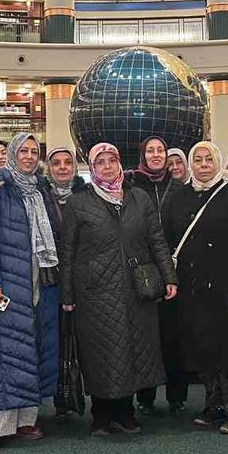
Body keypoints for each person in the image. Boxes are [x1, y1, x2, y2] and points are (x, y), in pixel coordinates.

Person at [60, 143, 178, 437]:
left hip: (136, 289)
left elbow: (157, 240)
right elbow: (68, 251)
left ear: (120, 164)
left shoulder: (138, 198)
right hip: (95, 293)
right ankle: (101, 415)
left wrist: (169, 277)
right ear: (92, 167)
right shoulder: (78, 203)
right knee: (101, 354)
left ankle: (126, 413)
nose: (107, 166)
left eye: (112, 160)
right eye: (100, 162)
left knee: (134, 351)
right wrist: (67, 295)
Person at [0, 133, 60, 452]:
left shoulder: (39, 189)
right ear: (11, 154)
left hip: (36, 278)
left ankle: (23, 418)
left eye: (34, 151)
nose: (29, 156)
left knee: (28, 346)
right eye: (23, 151)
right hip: (3, 282)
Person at [164, 142, 228, 434]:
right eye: (198, 159)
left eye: (209, 159)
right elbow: (168, 240)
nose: (204, 164)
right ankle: (213, 406)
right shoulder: (179, 198)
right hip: (193, 290)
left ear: (217, 162)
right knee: (203, 348)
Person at [123, 135, 186, 415]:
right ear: (143, 156)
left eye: (161, 150)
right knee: (145, 336)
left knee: (174, 336)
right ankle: (145, 398)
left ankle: (177, 396)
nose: (156, 155)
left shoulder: (180, 188)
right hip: (142, 270)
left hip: (175, 268)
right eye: (150, 150)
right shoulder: (131, 187)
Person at [44, 146, 88, 419]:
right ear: (49, 168)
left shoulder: (86, 195)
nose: (62, 167)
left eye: (67, 163)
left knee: (81, 338)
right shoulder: (40, 196)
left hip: (82, 276)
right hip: (50, 278)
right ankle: (59, 396)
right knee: (55, 339)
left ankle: (79, 395)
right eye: (56, 163)